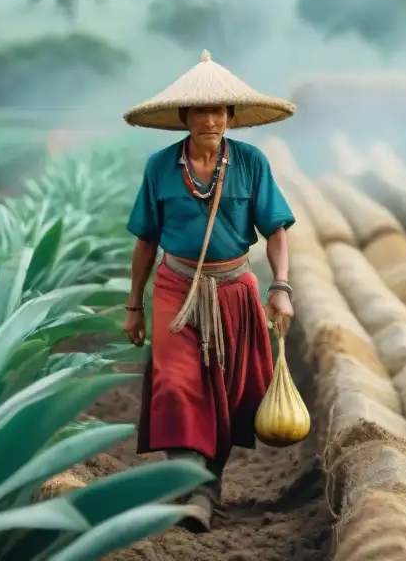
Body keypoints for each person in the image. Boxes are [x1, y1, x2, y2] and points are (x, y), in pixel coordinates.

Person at [120, 49, 297, 533]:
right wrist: (134, 306)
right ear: (184, 116)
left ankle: (206, 487)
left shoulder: (250, 163)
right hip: (176, 289)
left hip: (234, 289)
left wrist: (280, 286)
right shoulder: (160, 167)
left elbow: (276, 230)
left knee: (225, 395)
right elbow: (145, 241)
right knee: (177, 387)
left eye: (219, 111)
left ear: (231, 116)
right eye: (200, 110)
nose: (211, 119)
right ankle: (190, 483)